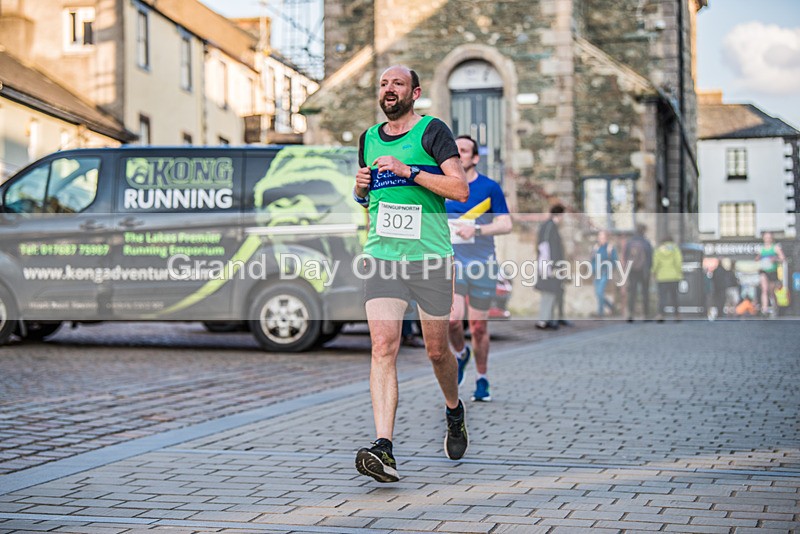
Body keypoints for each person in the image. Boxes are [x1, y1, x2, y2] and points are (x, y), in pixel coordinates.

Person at [352, 65, 470, 483]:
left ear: (414, 92)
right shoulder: (367, 139)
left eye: (397, 83)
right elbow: (369, 201)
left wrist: (411, 172)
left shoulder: (432, 132)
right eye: (383, 83)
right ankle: (384, 447)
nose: (388, 89)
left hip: (430, 257)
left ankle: (454, 411)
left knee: (437, 352)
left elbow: (460, 189)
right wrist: (361, 188)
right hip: (382, 256)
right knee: (383, 346)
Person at [446, 135, 512, 403]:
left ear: (474, 158)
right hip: (452, 263)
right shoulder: (444, 186)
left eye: (464, 150)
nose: (458, 154)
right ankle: (461, 354)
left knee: (479, 327)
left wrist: (477, 228)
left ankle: (482, 378)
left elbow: (506, 224)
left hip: (482, 264)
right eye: (455, 150)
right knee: (452, 320)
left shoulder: (489, 187)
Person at [534, 204, 566, 330]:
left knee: (550, 293)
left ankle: (547, 319)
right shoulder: (550, 227)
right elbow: (547, 247)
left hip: (548, 264)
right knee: (549, 292)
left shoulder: (548, 226)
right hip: (549, 265)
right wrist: (552, 266)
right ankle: (544, 320)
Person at [624, 223, 653, 321]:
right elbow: (650, 258)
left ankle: (630, 314)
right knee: (645, 292)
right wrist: (649, 269)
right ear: (643, 231)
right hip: (644, 271)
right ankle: (646, 315)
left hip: (632, 270)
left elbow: (625, 257)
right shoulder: (646, 242)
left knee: (632, 293)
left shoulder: (630, 242)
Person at [651, 235, 683, 321]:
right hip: (674, 276)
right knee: (674, 297)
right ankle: (677, 315)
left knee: (662, 297)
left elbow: (655, 263)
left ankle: (661, 315)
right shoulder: (675, 249)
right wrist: (679, 272)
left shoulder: (659, 249)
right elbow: (678, 262)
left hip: (662, 277)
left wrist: (654, 272)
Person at [755, 231, 785, 316]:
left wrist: (775, 259)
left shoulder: (776, 248)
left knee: (771, 291)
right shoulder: (761, 248)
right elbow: (757, 258)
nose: (767, 239)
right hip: (764, 271)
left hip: (772, 271)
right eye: (766, 237)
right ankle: (764, 308)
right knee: (764, 289)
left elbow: (782, 259)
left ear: (772, 238)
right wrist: (758, 258)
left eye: (769, 237)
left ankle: (776, 306)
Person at [590, 229, 619, 317]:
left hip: (605, 272)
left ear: (606, 238)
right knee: (598, 293)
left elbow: (615, 261)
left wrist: (608, 268)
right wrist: (592, 269)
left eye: (603, 237)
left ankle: (600, 313)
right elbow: (592, 260)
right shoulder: (595, 248)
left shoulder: (610, 248)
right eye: (599, 237)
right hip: (596, 273)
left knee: (600, 292)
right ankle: (611, 307)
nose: (601, 239)